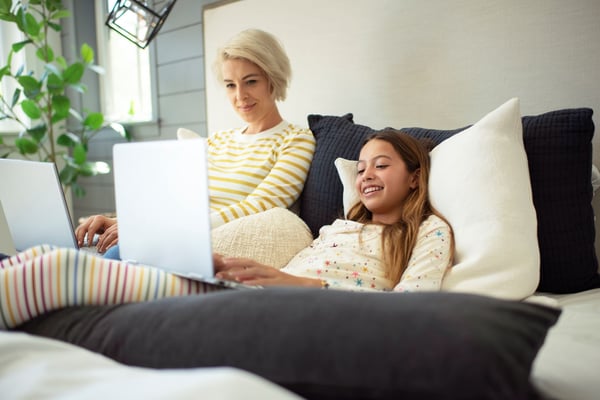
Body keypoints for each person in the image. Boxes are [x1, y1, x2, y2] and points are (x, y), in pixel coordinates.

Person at [0, 130, 453, 330]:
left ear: (415, 176)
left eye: (382, 165)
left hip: (309, 308)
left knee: (58, 271)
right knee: (62, 266)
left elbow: (411, 306)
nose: (366, 175)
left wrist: (297, 285)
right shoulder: (336, 226)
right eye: (361, 168)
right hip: (259, 294)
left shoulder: (429, 231)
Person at [76, 28, 316, 256]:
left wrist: (155, 229)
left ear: (273, 79)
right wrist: (126, 222)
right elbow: (178, 202)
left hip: (203, 244)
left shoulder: (296, 140)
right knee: (73, 255)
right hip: (173, 235)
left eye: (251, 81)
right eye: (230, 85)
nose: (240, 95)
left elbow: (259, 207)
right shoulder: (216, 141)